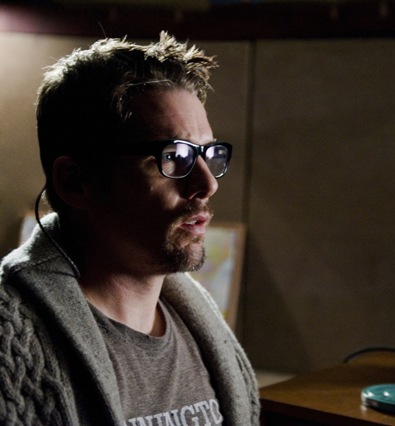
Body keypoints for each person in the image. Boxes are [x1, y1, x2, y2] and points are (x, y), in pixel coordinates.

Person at [0, 33, 260, 425]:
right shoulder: (11, 344)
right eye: (174, 156)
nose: (208, 184)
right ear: (76, 182)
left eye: (208, 154)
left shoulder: (203, 325)